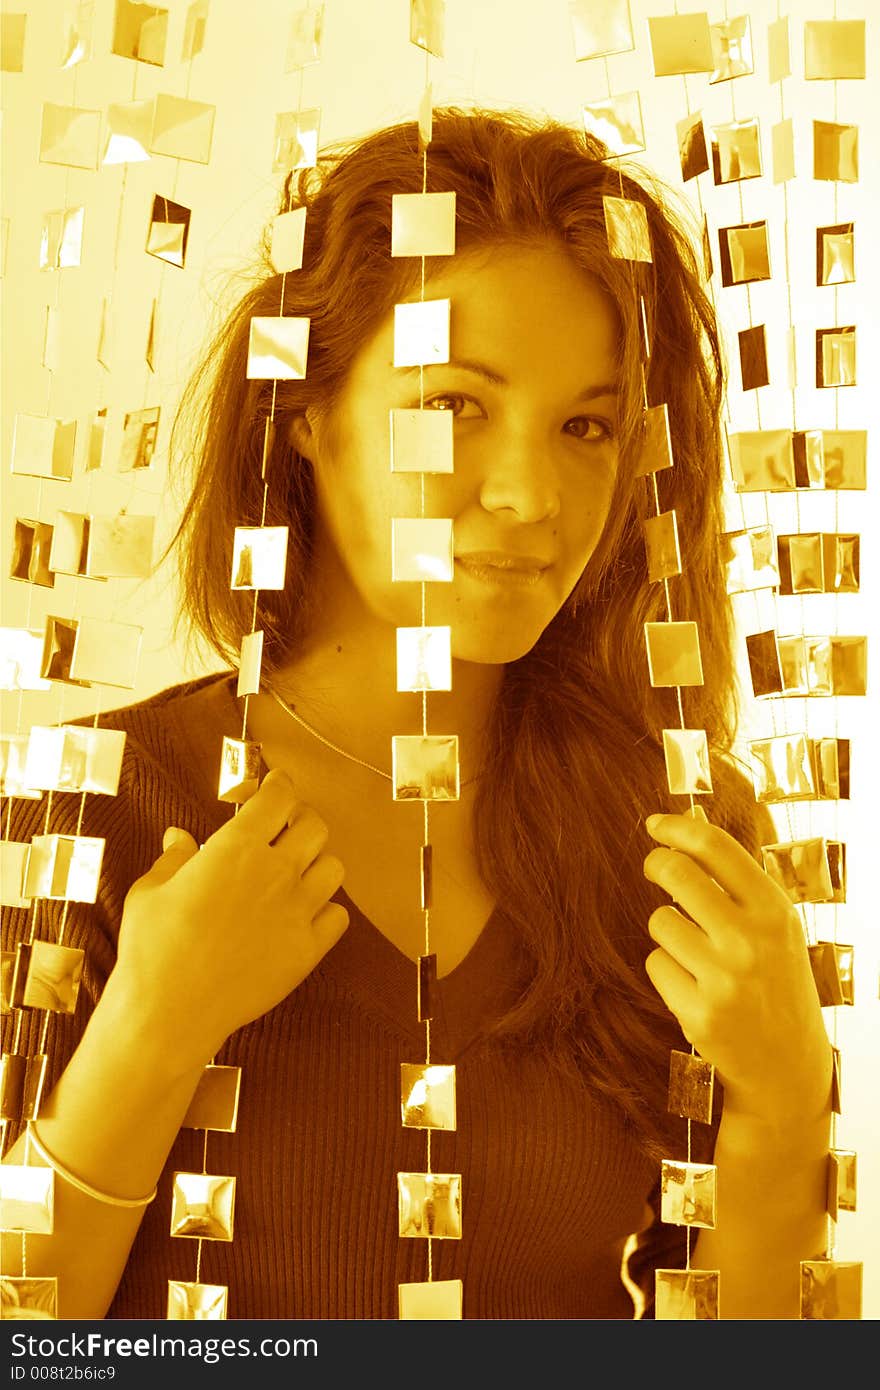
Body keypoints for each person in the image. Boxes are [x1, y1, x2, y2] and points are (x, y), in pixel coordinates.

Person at [1, 108, 831, 1321]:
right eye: (452, 406)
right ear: (306, 413)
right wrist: (147, 1037)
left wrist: (783, 1099)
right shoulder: (94, 805)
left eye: (585, 425)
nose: (528, 493)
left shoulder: (677, 840)